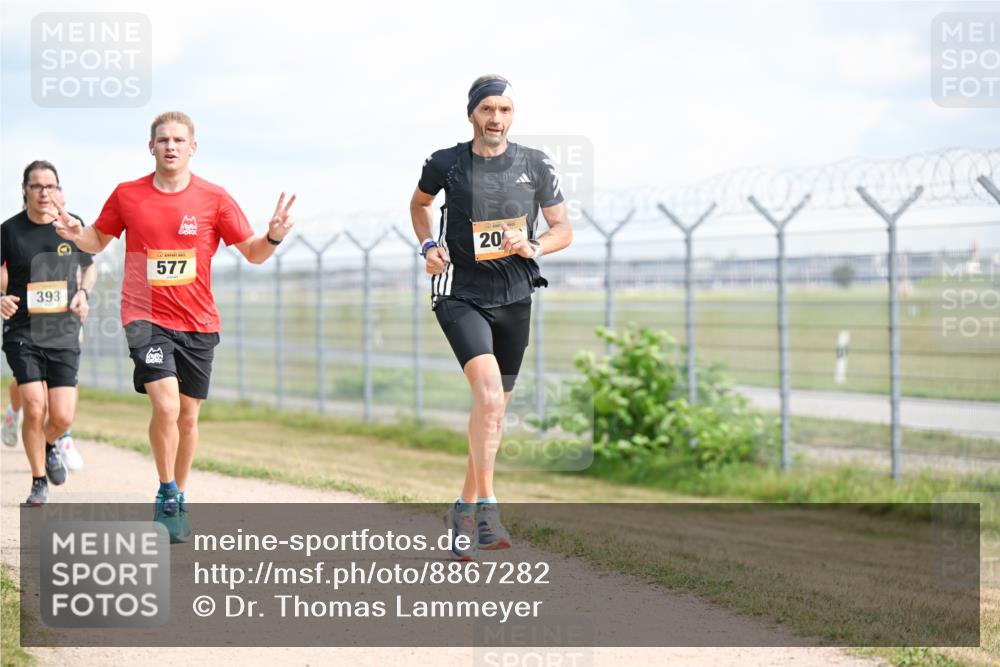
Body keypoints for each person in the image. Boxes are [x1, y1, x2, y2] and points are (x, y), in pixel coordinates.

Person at [52, 111, 296, 542]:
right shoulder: (128, 195)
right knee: (164, 406)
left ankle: (179, 495)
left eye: (178, 140)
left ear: (192, 147)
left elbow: (254, 254)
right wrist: (76, 232)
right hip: (144, 316)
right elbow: (96, 240)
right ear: (151, 147)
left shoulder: (214, 199)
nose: (170, 146)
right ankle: (166, 491)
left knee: (187, 416)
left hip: (199, 321)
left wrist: (273, 235)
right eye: (162, 139)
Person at [409, 75, 572, 559]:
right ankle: (488, 511)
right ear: (472, 115)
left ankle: (462, 505)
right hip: (460, 292)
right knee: (485, 394)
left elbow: (563, 226)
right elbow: (419, 205)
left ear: (511, 115)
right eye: (487, 110)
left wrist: (536, 244)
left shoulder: (535, 164)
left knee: (494, 410)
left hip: (516, 293)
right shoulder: (445, 163)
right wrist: (428, 245)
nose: (495, 119)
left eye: (503, 110)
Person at [1, 160, 96, 506]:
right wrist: (1, 298)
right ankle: (38, 480)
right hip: (22, 329)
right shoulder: (8, 231)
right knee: (34, 403)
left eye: (50, 186)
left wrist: (84, 293)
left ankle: (48, 443)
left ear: (59, 190)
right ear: (24, 190)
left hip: (63, 330)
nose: (44, 193)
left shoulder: (71, 226)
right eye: (37, 186)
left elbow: (89, 268)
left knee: (62, 416)